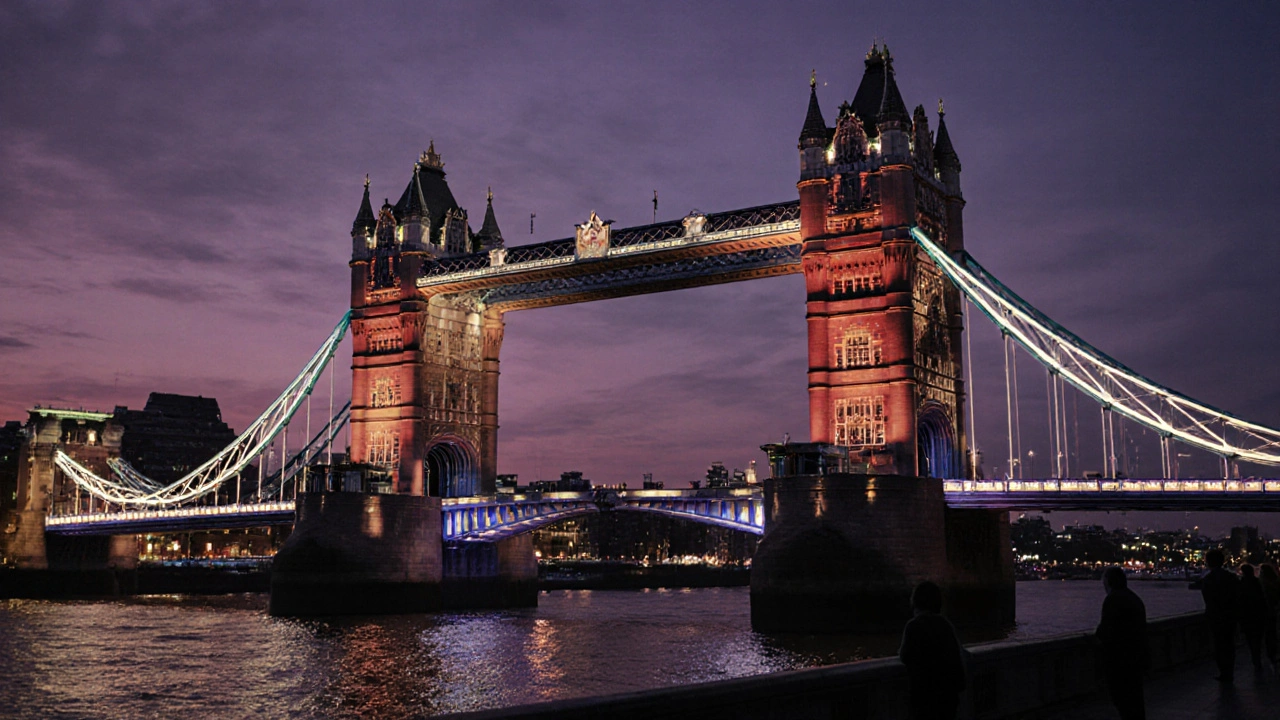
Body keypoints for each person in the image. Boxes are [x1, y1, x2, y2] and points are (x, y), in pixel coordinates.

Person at [898, 581, 966, 720]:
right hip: (948, 697)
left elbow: (905, 656)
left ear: (915, 602)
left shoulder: (913, 626)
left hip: (925, 697)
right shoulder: (945, 625)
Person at [1096, 566, 1149, 720]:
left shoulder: (1113, 599)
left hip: (1120, 658)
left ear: (1109, 582)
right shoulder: (1134, 598)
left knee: (1122, 699)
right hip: (1136, 656)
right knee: (1135, 700)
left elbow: (1106, 628)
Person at [1197, 549, 1240, 682]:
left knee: (1219, 645)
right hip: (1230, 616)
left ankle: (1224, 672)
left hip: (1216, 616)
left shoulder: (1208, 580)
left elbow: (1208, 599)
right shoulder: (1232, 578)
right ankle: (1229, 671)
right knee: (1229, 644)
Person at [1239, 564, 1268, 669]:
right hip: (1258, 615)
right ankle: (1258, 659)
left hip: (1248, 616)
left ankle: (1256, 659)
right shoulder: (1257, 582)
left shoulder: (1242, 583)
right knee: (1258, 639)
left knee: (1251, 640)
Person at [1260, 563, 1280, 665]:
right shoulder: (1275, 583)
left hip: (1268, 612)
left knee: (1270, 633)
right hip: (1274, 611)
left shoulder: (1263, 586)